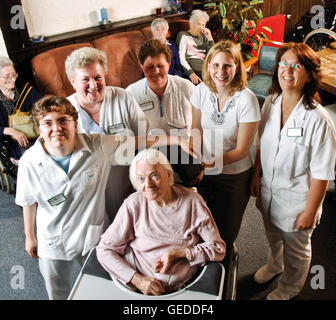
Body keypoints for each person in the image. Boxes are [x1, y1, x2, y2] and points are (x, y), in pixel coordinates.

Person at [15, 95, 193, 300]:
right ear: (39, 129)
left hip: (91, 235)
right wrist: (30, 236)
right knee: (57, 292)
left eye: (63, 120)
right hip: (53, 241)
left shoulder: (97, 145)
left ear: (75, 123)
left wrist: (176, 139)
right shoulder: (29, 161)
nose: (56, 128)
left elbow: (137, 142)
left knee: (102, 288)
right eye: (47, 123)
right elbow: (28, 201)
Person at [249, 42, 336, 300]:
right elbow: (260, 142)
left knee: (296, 250)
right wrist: (256, 174)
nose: (287, 70)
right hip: (270, 191)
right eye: (283, 64)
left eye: (296, 66)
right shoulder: (272, 102)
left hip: (298, 201)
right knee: (273, 236)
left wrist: (310, 212)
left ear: (309, 75)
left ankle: (289, 287)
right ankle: (275, 265)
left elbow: (322, 173)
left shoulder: (318, 120)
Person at [96, 148, 225, 295]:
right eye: (141, 179)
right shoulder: (133, 204)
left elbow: (218, 248)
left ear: (168, 175)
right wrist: (138, 280)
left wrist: (180, 254)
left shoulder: (193, 202)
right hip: (139, 289)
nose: (148, 185)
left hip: (186, 288)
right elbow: (104, 250)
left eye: (154, 175)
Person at [189, 40, 260, 259]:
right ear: (208, 65)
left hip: (234, 175)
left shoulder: (247, 100)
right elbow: (195, 130)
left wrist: (204, 164)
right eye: (216, 65)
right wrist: (192, 160)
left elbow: (241, 150)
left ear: (237, 67)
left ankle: (226, 268)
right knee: (205, 225)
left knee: (226, 232)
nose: (221, 72)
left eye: (228, 66)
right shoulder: (200, 91)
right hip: (205, 172)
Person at [65, 46, 148, 221]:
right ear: (72, 82)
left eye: (98, 77)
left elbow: (144, 139)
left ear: (105, 76)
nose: (93, 85)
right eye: (85, 79)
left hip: (127, 184)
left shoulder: (123, 98)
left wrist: (142, 180)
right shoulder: (64, 111)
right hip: (89, 193)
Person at [127, 39, 201, 185]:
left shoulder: (186, 87)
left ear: (169, 64)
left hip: (184, 152)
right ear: (141, 66)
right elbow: (128, 139)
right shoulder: (131, 94)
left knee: (194, 171)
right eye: (150, 67)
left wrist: (198, 158)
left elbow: (199, 126)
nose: (156, 71)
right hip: (148, 154)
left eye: (161, 66)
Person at [0, 56, 42, 161]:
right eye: (7, 76)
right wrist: (10, 131)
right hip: (12, 140)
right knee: (34, 158)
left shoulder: (23, 86)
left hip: (33, 130)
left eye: (14, 75)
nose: (13, 79)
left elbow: (41, 103)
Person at [176, 9, 214, 85]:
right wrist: (191, 73)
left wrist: (210, 38)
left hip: (207, 67)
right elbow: (182, 58)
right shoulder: (183, 35)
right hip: (196, 69)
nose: (201, 27)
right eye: (198, 24)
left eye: (203, 25)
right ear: (191, 24)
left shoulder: (205, 36)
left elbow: (213, 54)